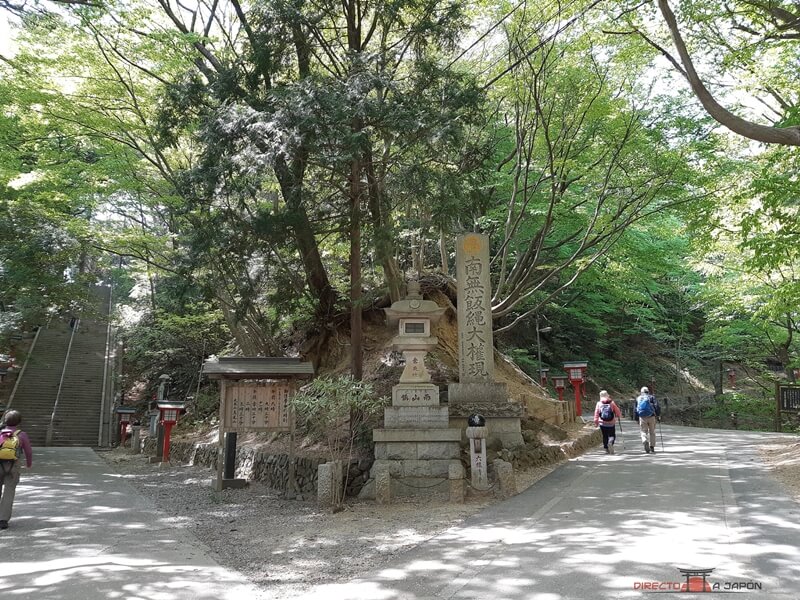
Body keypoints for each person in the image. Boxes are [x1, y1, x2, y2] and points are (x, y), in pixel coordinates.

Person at [0, 410, 33, 530]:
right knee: (9, 491)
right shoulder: (22, 435)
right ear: (19, 422)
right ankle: (3, 520)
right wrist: (29, 464)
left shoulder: (0, 432)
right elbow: (28, 451)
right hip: (14, 465)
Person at [593, 390, 623, 454]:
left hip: (602, 423)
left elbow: (596, 413)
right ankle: (610, 442)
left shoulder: (599, 403)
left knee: (605, 436)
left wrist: (596, 422)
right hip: (611, 423)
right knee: (612, 435)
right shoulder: (611, 403)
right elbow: (617, 411)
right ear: (607, 395)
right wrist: (619, 415)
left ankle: (606, 448)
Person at [635, 386, 661, 454]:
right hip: (651, 416)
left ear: (641, 392)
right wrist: (658, 415)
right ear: (648, 391)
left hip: (642, 417)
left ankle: (645, 440)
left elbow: (635, 409)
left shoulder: (638, 398)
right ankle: (652, 446)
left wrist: (636, 418)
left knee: (643, 431)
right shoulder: (651, 397)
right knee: (652, 432)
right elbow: (657, 406)